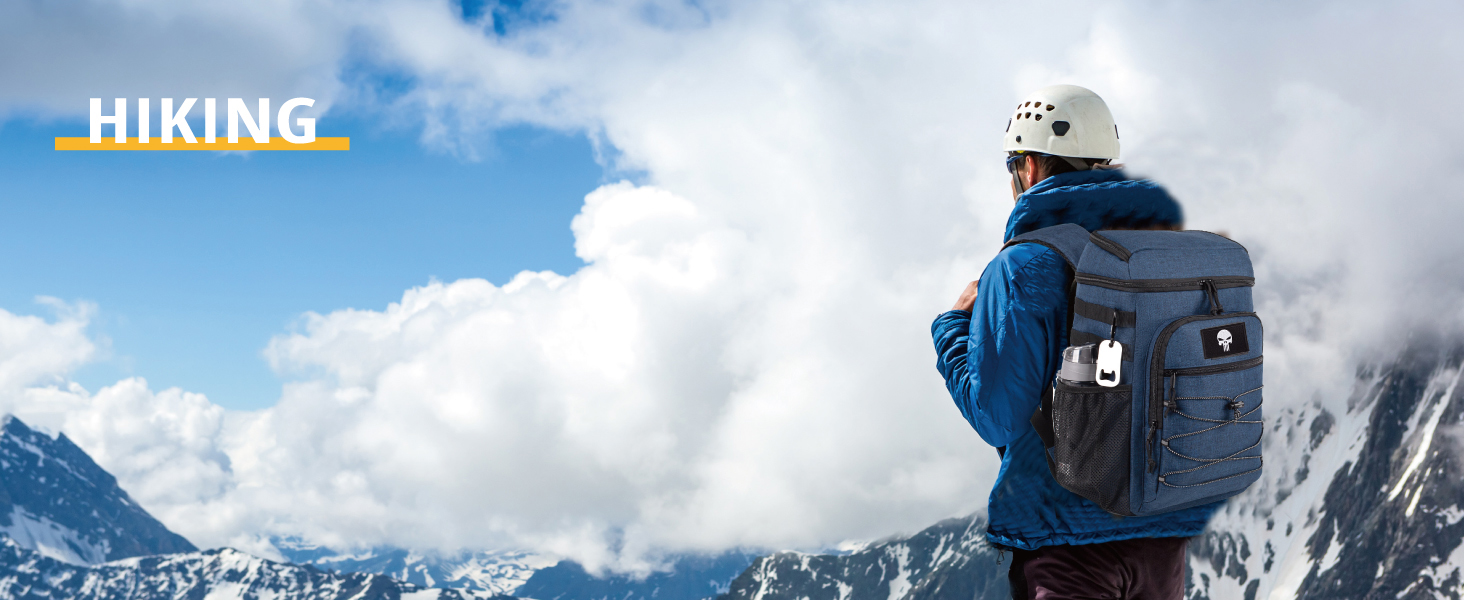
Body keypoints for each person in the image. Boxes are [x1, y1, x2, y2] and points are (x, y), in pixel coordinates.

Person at [930, 85, 1219, 599]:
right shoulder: (1161, 254)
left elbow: (997, 417)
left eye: (1014, 164)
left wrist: (951, 329)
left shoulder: (1020, 266)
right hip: (1160, 535)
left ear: (1033, 166)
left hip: (1067, 542)